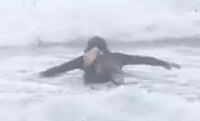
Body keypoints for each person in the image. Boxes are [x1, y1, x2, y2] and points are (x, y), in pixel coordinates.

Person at [39, 36, 179, 85]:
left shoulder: (84, 60)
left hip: (97, 88)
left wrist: (39, 76)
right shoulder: (118, 57)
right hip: (116, 86)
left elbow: (58, 70)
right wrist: (164, 63)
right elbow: (144, 60)